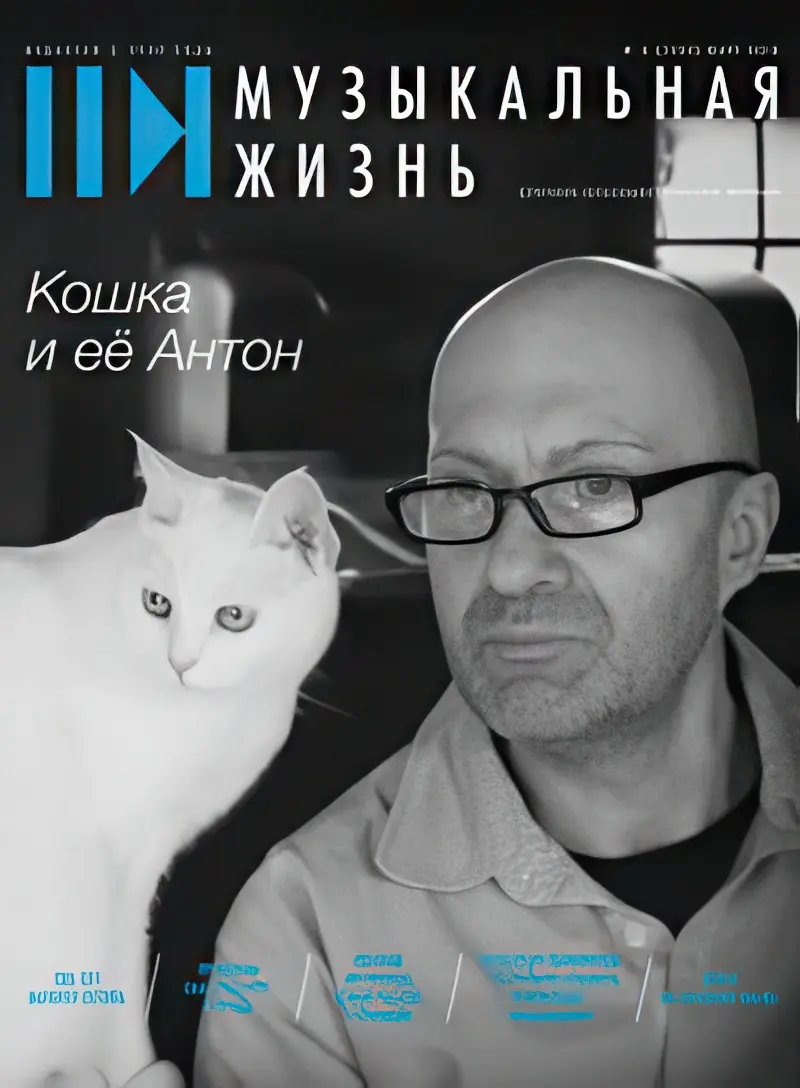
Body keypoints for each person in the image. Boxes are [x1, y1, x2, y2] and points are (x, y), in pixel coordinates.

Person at [56, 257, 800, 1086]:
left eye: (594, 486)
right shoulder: (310, 933)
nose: (510, 569)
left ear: (739, 537)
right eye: (463, 490)